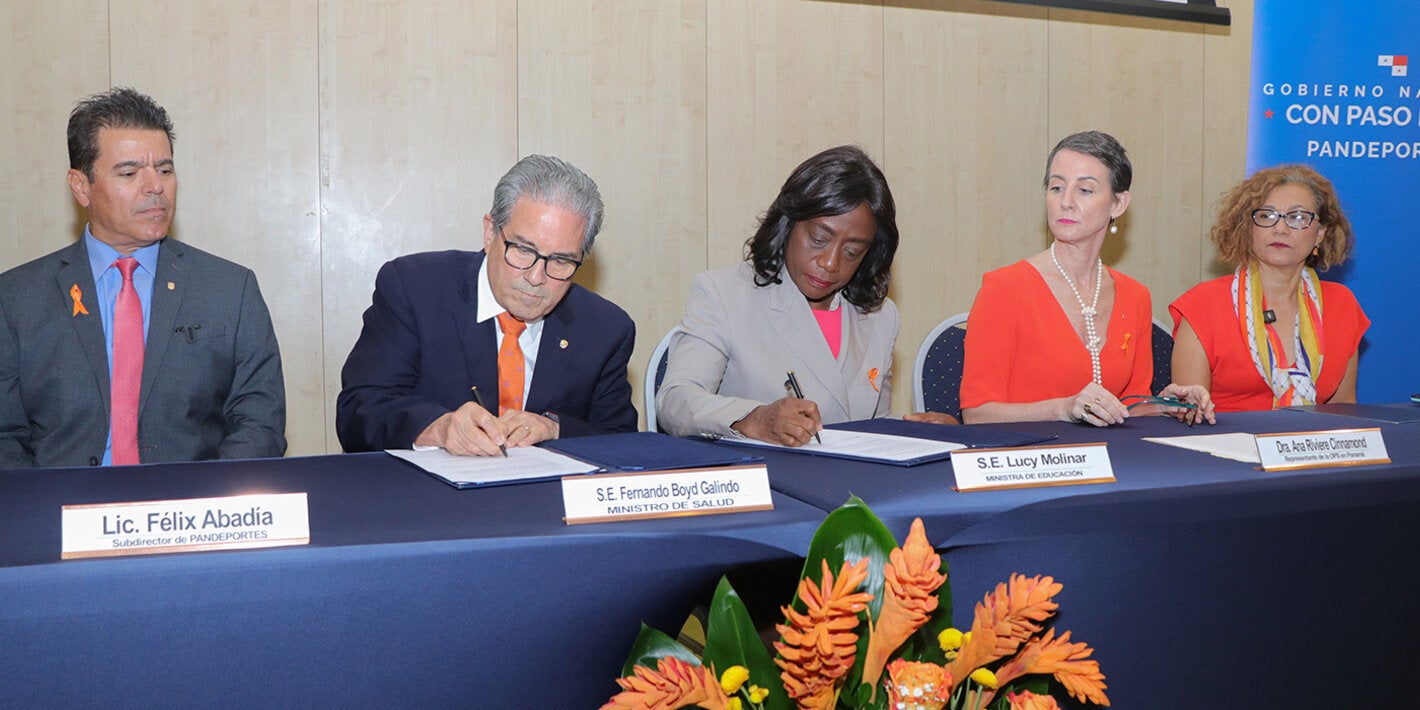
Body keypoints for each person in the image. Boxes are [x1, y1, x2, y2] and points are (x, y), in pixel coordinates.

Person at [0, 87, 287, 468]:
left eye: (165, 170)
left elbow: (259, 423)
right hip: (59, 513)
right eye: (130, 172)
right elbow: (6, 436)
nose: (155, 187)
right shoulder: (18, 297)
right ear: (81, 186)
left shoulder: (230, 290)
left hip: (190, 513)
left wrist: (207, 503)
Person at [337, 155, 637, 455]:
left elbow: (623, 443)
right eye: (522, 250)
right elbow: (359, 411)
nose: (535, 277)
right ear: (490, 233)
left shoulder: (605, 328)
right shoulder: (414, 289)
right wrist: (439, 428)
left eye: (560, 260)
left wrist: (557, 429)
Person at [656, 145, 944, 446]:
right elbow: (675, 401)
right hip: (767, 480)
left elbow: (866, 426)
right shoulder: (724, 294)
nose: (830, 263)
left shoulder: (880, 316)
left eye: (852, 252)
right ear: (788, 224)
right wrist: (752, 419)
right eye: (819, 239)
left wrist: (921, 431)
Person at [960, 131, 1213, 426]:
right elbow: (976, 414)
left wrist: (1166, 404)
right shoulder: (1004, 288)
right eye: (1056, 187)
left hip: (1109, 460)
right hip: (1027, 460)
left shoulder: (1135, 296)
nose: (1065, 202)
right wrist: (1062, 409)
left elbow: (1127, 407)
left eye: (1085, 190)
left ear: (1118, 204)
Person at [1170, 165, 1367, 412]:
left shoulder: (1341, 304)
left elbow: (1344, 411)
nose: (1280, 229)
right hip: (1225, 444)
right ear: (1247, 228)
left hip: (1313, 447)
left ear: (1319, 234)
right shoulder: (1203, 304)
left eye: (1297, 217)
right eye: (1266, 216)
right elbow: (1188, 415)